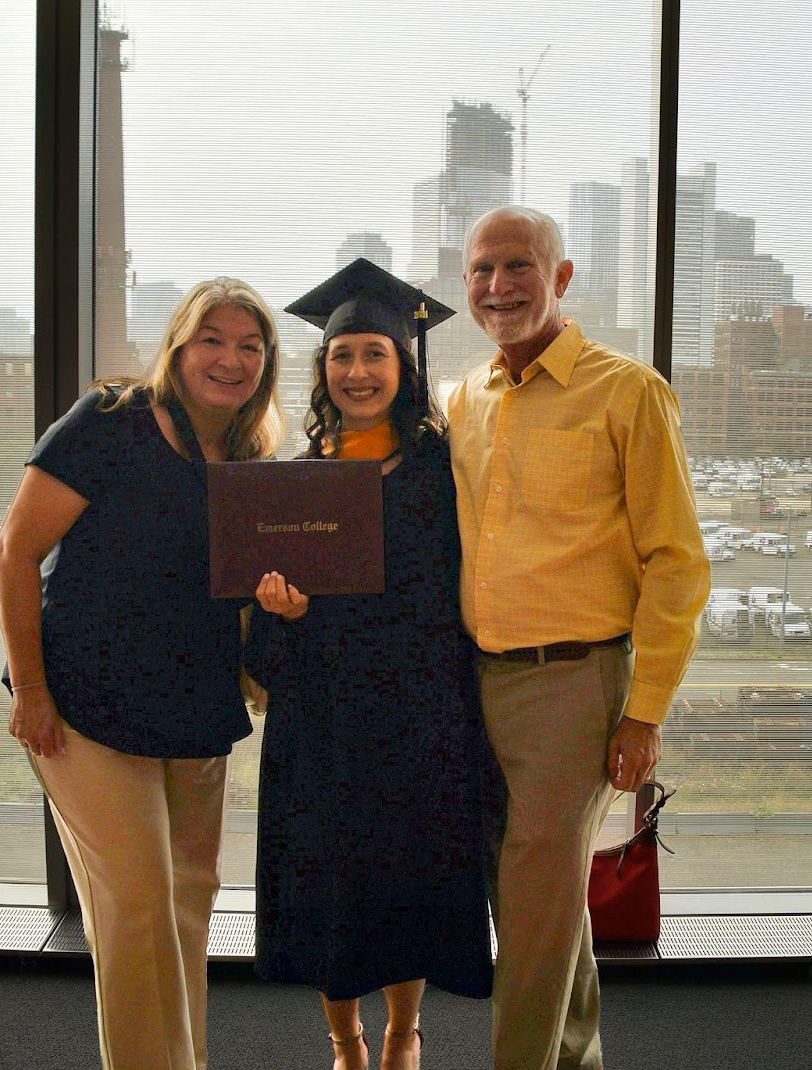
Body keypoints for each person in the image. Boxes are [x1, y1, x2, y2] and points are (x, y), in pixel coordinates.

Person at [0, 277, 283, 1070]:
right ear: (180, 346)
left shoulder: (251, 459)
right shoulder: (111, 420)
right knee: (137, 909)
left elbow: (246, 598)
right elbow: (16, 550)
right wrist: (31, 690)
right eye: (213, 340)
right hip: (83, 706)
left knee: (189, 906)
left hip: (193, 708)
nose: (231, 359)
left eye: (250, 346)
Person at [448, 206, 711, 1070]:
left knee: (530, 902)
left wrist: (646, 711)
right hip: (473, 678)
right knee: (537, 894)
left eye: (518, 266)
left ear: (561, 278)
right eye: (482, 271)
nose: (498, 287)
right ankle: (575, 1059)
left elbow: (676, 562)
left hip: (573, 683)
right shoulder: (465, 399)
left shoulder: (627, 392)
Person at [246, 258, 494, 1070]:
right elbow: (262, 649)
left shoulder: (446, 472)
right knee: (331, 889)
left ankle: (401, 1032)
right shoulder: (296, 485)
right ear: (323, 368)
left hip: (423, 714)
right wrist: (280, 612)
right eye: (342, 354)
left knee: (408, 882)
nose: (357, 371)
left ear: (404, 365)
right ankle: (343, 1038)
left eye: (375, 355)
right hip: (322, 721)